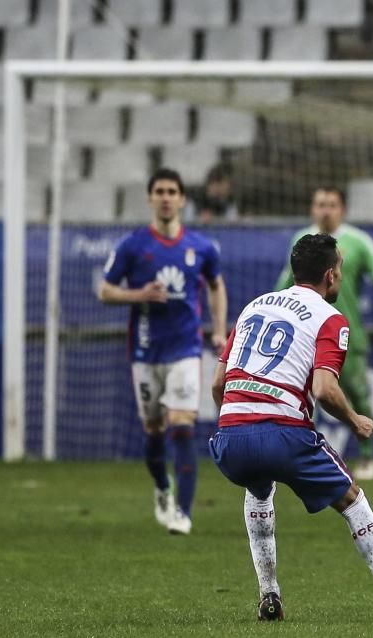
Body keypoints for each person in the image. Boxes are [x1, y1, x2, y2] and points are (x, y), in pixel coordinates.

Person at [209, 233, 373, 624]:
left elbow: (217, 385)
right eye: (341, 271)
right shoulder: (331, 318)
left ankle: (269, 595)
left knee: (259, 490)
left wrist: (237, 422)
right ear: (330, 276)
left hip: (229, 440)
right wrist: (356, 420)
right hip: (283, 434)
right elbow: (325, 390)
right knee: (353, 500)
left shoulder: (252, 307)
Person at [99, 167, 228, 535]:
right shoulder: (133, 245)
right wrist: (138, 295)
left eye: (173, 191)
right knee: (154, 432)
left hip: (186, 348)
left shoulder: (201, 247)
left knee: (183, 426)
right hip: (145, 351)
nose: (167, 197)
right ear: (150, 198)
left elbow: (217, 287)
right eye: (160, 191)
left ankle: (183, 513)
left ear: (183, 199)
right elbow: (106, 290)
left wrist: (219, 330)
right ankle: (162, 487)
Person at [274, 186, 373, 481]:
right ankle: (310, 455)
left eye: (331, 205)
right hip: (306, 335)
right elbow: (285, 281)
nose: (325, 210)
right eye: (320, 204)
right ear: (312, 208)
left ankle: (368, 455)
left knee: (357, 394)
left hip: (346, 333)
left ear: (341, 210)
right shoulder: (301, 241)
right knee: (308, 396)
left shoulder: (359, 242)